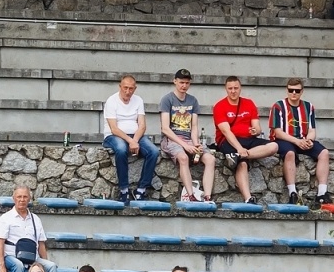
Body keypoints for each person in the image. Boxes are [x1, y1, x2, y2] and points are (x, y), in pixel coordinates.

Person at [211, 76, 276, 203]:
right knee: (243, 164)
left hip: (248, 139)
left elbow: (257, 127)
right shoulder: (219, 106)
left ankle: (237, 156)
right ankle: (248, 198)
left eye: (236, 88)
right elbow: (226, 132)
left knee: (274, 146)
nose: (233, 91)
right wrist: (239, 148)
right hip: (228, 141)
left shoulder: (249, 103)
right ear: (226, 89)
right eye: (230, 88)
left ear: (240, 88)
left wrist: (256, 131)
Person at [270, 78, 330, 207]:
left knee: (324, 153)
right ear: (286, 90)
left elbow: (312, 130)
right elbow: (277, 132)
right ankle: (292, 192)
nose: (293, 93)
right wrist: (297, 141)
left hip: (302, 139)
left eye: (297, 91)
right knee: (290, 153)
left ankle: (322, 193)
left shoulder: (308, 107)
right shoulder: (278, 106)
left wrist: (309, 140)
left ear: (302, 91)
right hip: (285, 140)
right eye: (291, 90)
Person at [0, 186, 58, 272]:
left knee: (51, 266)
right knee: (18, 265)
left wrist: (43, 265)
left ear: (29, 199)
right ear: (14, 198)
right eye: (19, 197)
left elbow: (41, 243)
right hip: (11, 256)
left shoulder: (35, 219)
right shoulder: (6, 218)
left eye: (25, 197)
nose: (22, 200)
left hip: (32, 257)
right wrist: (1, 265)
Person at [158, 69, 215, 203]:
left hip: (189, 138)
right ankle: (191, 195)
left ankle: (207, 196)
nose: (184, 85)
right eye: (181, 82)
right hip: (172, 139)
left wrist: (196, 143)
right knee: (183, 158)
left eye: (187, 83)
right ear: (175, 81)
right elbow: (165, 128)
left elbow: (194, 126)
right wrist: (185, 145)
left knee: (210, 159)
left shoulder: (193, 100)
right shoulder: (167, 99)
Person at [102, 74, 158, 203]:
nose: (128, 91)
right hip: (114, 136)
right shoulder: (111, 101)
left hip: (135, 135)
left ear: (135, 89)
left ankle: (141, 189)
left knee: (154, 151)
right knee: (121, 149)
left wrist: (135, 140)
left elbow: (142, 125)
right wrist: (131, 141)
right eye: (125, 88)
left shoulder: (138, 100)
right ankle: (124, 190)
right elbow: (114, 128)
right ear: (120, 87)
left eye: (131, 88)